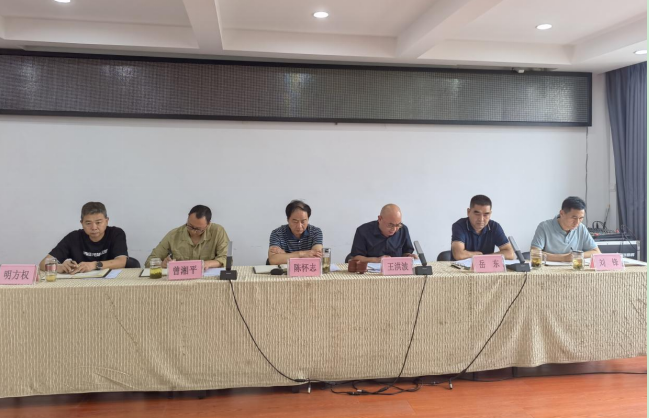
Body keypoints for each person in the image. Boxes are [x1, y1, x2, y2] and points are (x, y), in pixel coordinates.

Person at [39, 202, 128, 273]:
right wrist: (60, 267)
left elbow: (122, 261)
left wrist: (94, 265)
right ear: (82, 223)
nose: (94, 227)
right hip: (81, 283)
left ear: (106, 221)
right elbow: (43, 264)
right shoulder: (73, 238)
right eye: (88, 223)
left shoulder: (116, 233)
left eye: (98, 222)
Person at [145, 205, 229, 270]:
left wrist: (208, 263)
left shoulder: (218, 232)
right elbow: (150, 260)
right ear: (188, 217)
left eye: (198, 229)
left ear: (208, 224)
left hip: (208, 279)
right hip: (180, 281)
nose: (193, 231)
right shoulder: (173, 235)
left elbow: (226, 258)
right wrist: (162, 264)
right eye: (190, 226)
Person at [531, 196, 600, 262]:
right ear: (562, 213)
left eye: (581, 218)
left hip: (574, 269)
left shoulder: (581, 228)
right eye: (574, 218)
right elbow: (534, 253)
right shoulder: (544, 227)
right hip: (549, 269)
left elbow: (596, 252)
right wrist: (564, 258)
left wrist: (576, 255)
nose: (577, 222)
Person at [451, 195, 515, 261]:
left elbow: (510, 254)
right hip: (460, 267)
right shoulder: (459, 226)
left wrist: (483, 257)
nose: (481, 219)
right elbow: (459, 255)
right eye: (477, 213)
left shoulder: (494, 227)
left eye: (486, 214)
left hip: (486, 266)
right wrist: (481, 256)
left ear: (490, 214)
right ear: (468, 212)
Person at [347, 204, 417, 263]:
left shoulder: (403, 230)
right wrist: (377, 260)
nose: (394, 229)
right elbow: (356, 257)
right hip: (369, 272)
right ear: (380, 219)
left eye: (398, 225)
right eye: (390, 225)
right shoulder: (363, 231)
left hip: (396, 271)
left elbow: (405, 253)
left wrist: (409, 256)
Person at [268, 200, 323, 265]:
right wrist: (302, 254)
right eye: (295, 221)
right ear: (288, 219)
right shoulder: (277, 233)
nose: (299, 226)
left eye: (303, 221)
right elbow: (273, 260)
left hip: (306, 270)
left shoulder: (315, 232)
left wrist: (285, 255)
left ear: (308, 219)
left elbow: (316, 258)